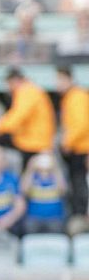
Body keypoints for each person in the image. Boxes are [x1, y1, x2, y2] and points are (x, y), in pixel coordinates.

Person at [0, 68, 56, 162]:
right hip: (33, 140)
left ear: (14, 81)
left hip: (34, 142)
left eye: (8, 84)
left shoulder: (27, 91)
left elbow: (18, 116)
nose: (8, 88)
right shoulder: (30, 90)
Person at [58, 66, 89, 223]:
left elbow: (82, 124)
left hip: (81, 148)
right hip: (78, 146)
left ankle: (81, 214)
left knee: (79, 183)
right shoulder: (71, 97)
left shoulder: (77, 96)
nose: (57, 84)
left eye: (59, 80)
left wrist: (67, 142)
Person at [19, 152, 68, 235]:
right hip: (33, 218)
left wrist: (55, 168)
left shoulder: (56, 175)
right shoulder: (32, 176)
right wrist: (30, 169)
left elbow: (63, 190)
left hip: (55, 218)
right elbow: (24, 190)